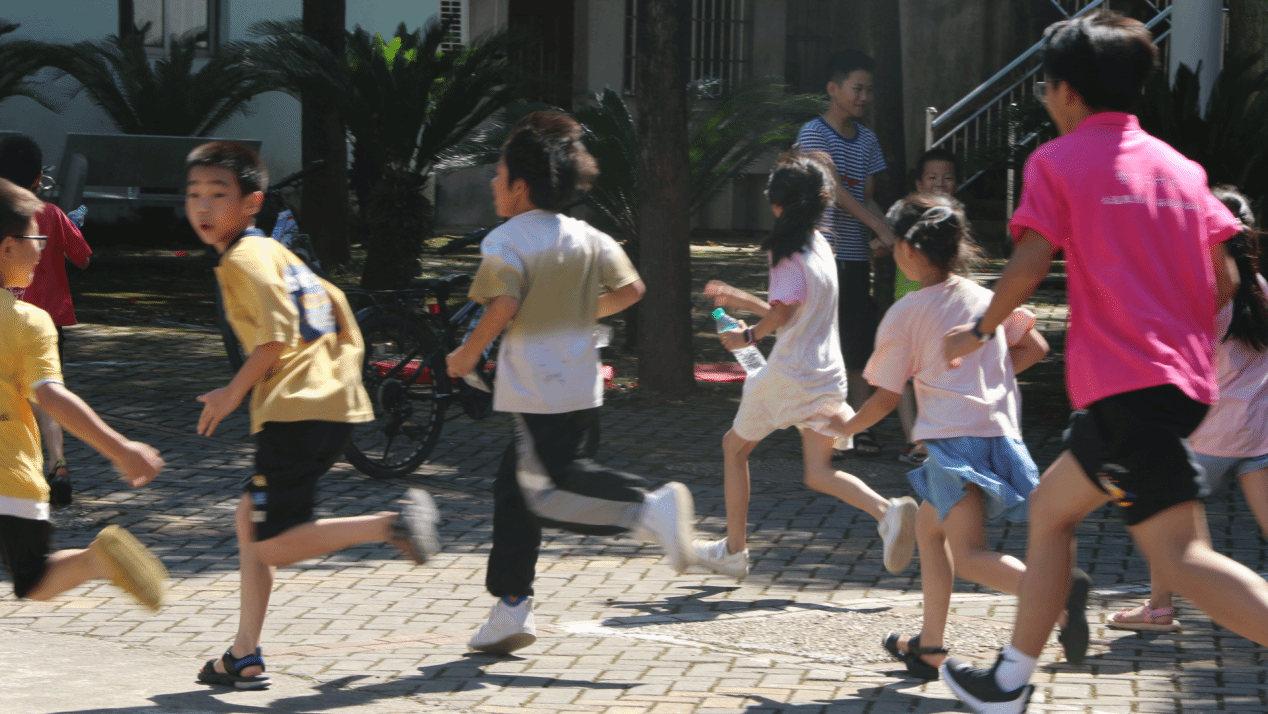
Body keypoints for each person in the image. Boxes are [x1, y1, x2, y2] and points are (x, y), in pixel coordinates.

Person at [939, 12, 1268, 713]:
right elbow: (1228, 279)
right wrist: (1168, 321)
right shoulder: (1180, 167)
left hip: (1128, 386)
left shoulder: (1057, 162)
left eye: (1045, 86)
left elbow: (1031, 262)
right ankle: (1009, 680)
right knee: (1050, 512)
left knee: (1179, 557)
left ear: (1065, 91)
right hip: (1173, 385)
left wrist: (981, 329)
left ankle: (1008, 682)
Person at [186, 142, 440, 690]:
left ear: (252, 203)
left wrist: (232, 393)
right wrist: (338, 384)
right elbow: (340, 311)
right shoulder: (278, 253)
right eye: (194, 194)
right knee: (249, 518)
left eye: (218, 194)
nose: (203, 206)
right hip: (328, 405)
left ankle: (390, 524)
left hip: (295, 411)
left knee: (273, 543)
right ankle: (244, 654)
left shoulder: (242, 260)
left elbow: (275, 337)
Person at [445, 112, 698, 656]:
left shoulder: (505, 240)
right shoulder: (589, 236)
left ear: (520, 187)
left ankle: (647, 508)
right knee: (515, 489)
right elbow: (632, 290)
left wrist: (466, 354)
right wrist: (578, 312)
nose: (493, 184)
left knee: (546, 491)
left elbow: (503, 302)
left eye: (498, 175)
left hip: (536, 387)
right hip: (581, 382)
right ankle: (511, 607)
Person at [826, 194, 1066, 680]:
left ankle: (1059, 597)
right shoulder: (984, 299)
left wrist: (844, 428)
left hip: (956, 444)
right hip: (998, 435)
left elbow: (885, 398)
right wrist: (987, 382)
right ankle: (930, 646)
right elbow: (1036, 346)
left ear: (909, 249)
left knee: (971, 556)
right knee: (929, 530)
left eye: (895, 243)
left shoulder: (905, 313)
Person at [694, 149, 918, 581]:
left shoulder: (785, 251)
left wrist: (748, 336)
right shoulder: (821, 247)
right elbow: (794, 310)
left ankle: (734, 551)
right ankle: (888, 512)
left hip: (790, 375)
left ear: (776, 203)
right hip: (826, 375)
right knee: (818, 473)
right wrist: (745, 303)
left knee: (734, 449)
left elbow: (782, 313)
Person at [0, 177, 167, 612]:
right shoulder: (27, 322)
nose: (42, 249)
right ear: (8, 248)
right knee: (33, 579)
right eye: (37, 239)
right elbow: (51, 397)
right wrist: (120, 449)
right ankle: (97, 560)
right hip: (9, 481)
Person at [1107, 186, 1268, 633]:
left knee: (1169, 528)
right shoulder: (1260, 290)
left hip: (1209, 435)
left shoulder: (1202, 296)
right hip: (1260, 431)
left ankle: (1159, 609)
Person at [796, 49, 899, 457]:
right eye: (857, 88)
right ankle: (822, 429)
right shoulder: (813, 133)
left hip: (855, 259)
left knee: (857, 345)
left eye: (869, 90)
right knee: (822, 345)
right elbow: (835, 191)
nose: (864, 97)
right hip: (819, 257)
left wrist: (888, 235)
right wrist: (879, 227)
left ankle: (859, 427)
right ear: (833, 89)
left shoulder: (867, 139)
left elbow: (865, 196)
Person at [0, 135, 93, 507]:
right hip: (47, 322)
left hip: (6, 319)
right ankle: (58, 463)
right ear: (39, 178)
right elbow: (83, 259)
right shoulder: (52, 214)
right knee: (47, 394)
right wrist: (68, 228)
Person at [894, 149, 962, 466]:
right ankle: (914, 440)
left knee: (935, 371)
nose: (940, 183)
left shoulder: (956, 220)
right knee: (904, 372)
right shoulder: (906, 215)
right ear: (919, 183)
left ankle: (937, 437)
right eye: (932, 177)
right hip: (910, 301)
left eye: (947, 177)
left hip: (944, 306)